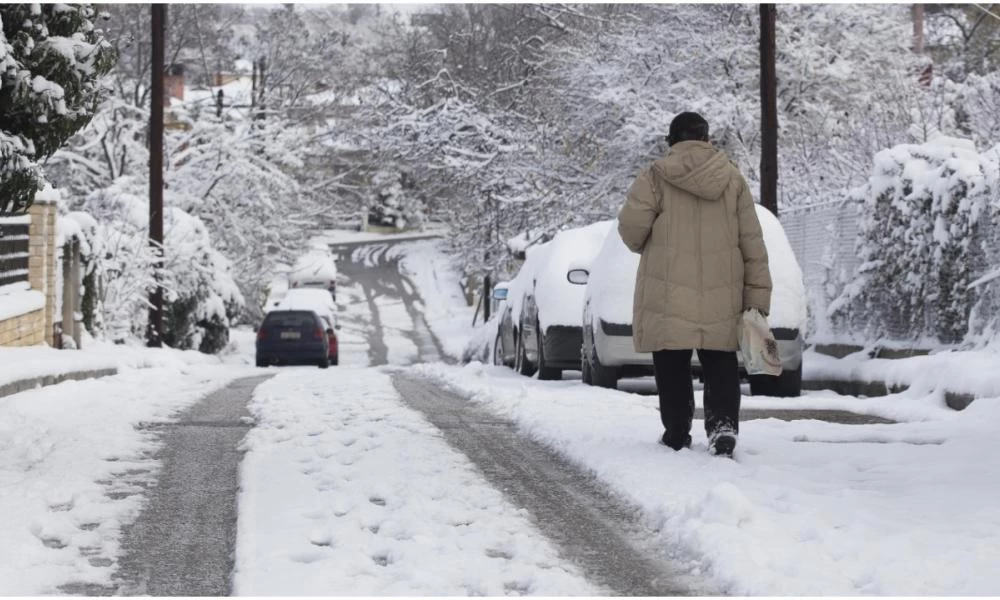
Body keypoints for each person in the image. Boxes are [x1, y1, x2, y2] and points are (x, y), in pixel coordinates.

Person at [617, 112, 771, 456]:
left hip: (668, 289)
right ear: (707, 139)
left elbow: (631, 232)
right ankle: (722, 427)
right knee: (720, 358)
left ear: (672, 140)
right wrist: (758, 296)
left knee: (671, 360)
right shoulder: (732, 179)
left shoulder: (654, 177)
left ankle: (676, 432)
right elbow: (753, 242)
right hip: (723, 291)